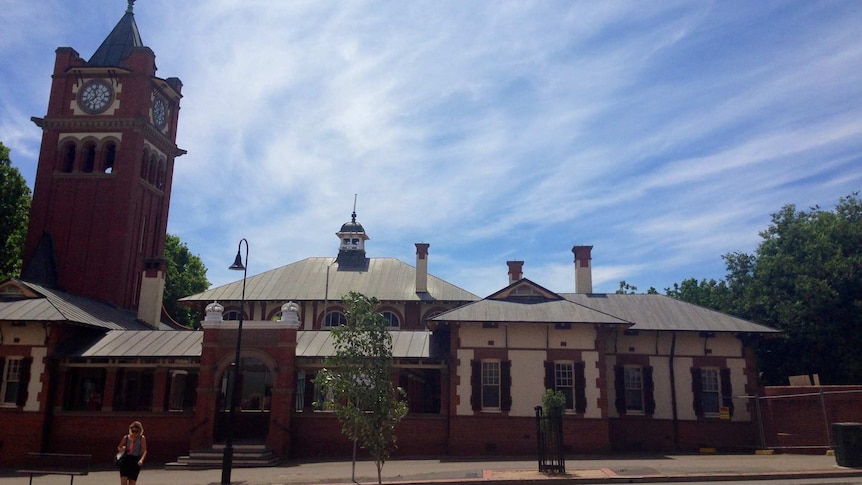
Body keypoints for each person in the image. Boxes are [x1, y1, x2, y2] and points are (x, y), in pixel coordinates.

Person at [117, 421, 148, 485]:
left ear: (140, 431)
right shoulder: (126, 437)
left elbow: (144, 451)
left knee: (132, 482)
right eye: (133, 431)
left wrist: (141, 460)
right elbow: (119, 447)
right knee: (123, 481)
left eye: (136, 431)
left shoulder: (142, 438)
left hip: (135, 460)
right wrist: (122, 449)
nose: (134, 433)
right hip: (125, 460)